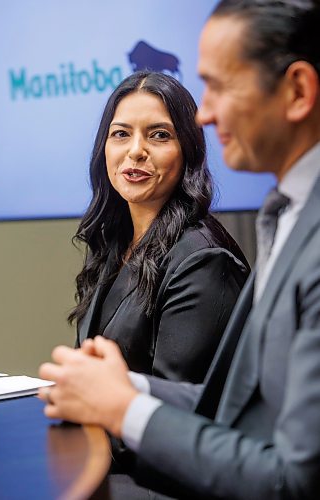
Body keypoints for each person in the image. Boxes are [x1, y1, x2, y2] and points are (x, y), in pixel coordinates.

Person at [39, 1, 320, 498]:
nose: (206, 113)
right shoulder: (283, 216)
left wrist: (120, 406)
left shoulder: (205, 257)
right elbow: (236, 404)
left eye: (220, 86)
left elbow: (289, 472)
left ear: (297, 91)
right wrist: (118, 389)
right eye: (120, 134)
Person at [69, 70, 249, 383]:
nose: (135, 150)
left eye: (159, 135)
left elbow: (180, 406)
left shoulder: (204, 260)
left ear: (187, 151)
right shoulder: (113, 241)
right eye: (121, 134)